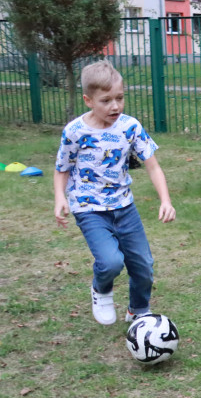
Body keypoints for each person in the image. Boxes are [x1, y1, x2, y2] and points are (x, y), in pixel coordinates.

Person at [53, 60, 175, 325]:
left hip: (124, 207)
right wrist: (60, 197)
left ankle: (138, 310)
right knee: (110, 262)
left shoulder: (129, 126)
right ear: (88, 100)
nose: (115, 106)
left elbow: (152, 166)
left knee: (143, 266)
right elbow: (62, 168)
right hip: (89, 209)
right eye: (106, 100)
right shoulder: (74, 132)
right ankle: (101, 289)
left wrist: (165, 200)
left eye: (119, 98)